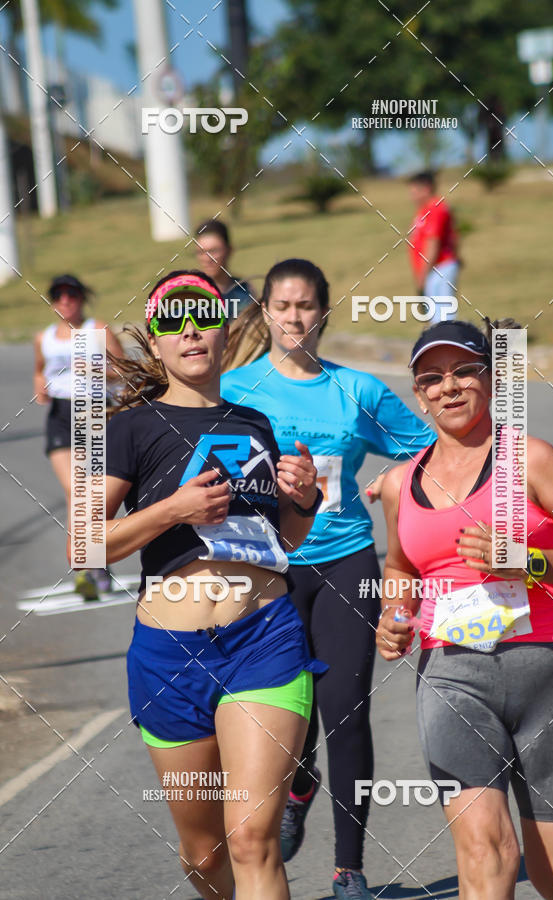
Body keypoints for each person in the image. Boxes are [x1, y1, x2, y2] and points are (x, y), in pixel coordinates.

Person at [96, 269, 327, 900]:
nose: (190, 330)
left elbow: (289, 541)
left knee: (254, 839)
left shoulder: (255, 424)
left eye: (203, 315)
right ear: (156, 337)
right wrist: (174, 509)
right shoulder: (131, 429)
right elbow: (82, 545)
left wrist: (305, 500)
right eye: (173, 320)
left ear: (225, 328)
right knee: (205, 855)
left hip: (264, 641)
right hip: (170, 656)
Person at [220, 258, 435, 900]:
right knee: (292, 716)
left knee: (347, 711)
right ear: (263, 310)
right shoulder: (234, 389)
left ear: (324, 312)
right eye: (281, 306)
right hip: (269, 570)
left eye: (306, 306)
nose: (293, 318)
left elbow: (429, 447)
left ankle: (349, 870)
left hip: (346, 564)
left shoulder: (358, 390)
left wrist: (390, 482)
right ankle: (297, 780)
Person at [376, 319, 553, 900]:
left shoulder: (531, 458)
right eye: (432, 378)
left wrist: (528, 562)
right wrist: (395, 615)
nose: (448, 387)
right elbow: (402, 565)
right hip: (451, 674)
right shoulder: (402, 482)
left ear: (492, 378)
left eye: (463, 372)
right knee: (484, 852)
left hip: (547, 671)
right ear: (419, 394)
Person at [34, 273, 124, 600]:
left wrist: (99, 369)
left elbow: (126, 370)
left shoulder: (97, 330)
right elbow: (39, 368)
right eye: (58, 295)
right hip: (60, 414)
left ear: (81, 298)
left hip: (96, 412)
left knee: (90, 493)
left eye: (71, 294)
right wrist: (39, 386)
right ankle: (86, 565)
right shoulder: (44, 337)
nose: (65, 301)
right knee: (76, 488)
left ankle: (93, 561)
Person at [407, 171, 460, 323]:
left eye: (414, 191)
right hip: (435, 269)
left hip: (439, 268)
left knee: (442, 320)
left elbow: (432, 243)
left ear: (426, 188)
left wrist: (421, 278)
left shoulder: (435, 209)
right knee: (436, 319)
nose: (412, 196)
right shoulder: (424, 210)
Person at [195, 219, 255, 318]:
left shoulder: (245, 291)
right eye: (201, 252)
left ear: (229, 250)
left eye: (213, 251)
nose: (207, 259)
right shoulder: (190, 294)